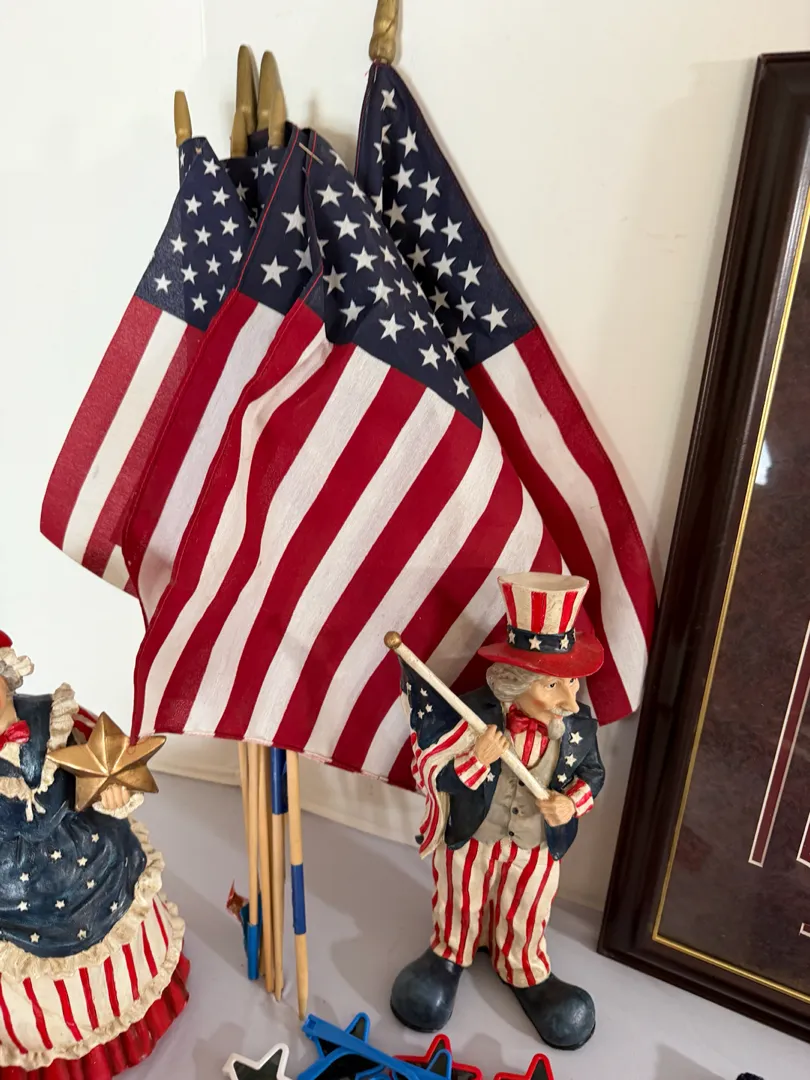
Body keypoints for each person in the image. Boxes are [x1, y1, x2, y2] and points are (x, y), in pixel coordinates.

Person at [391, 573, 605, 1051]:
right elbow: (430, 771)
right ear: (517, 681)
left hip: (534, 847)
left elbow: (593, 775)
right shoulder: (469, 717)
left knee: (527, 905)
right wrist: (476, 760)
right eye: (553, 684)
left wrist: (570, 803)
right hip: (474, 837)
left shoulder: (578, 729)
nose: (569, 700)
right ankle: (450, 952)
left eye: (572, 681)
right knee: (460, 898)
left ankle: (523, 966)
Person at [0, 631, 188, 1079]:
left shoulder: (53, 715)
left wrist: (114, 791)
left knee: (115, 911)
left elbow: (108, 759)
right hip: (10, 893)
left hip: (88, 860)